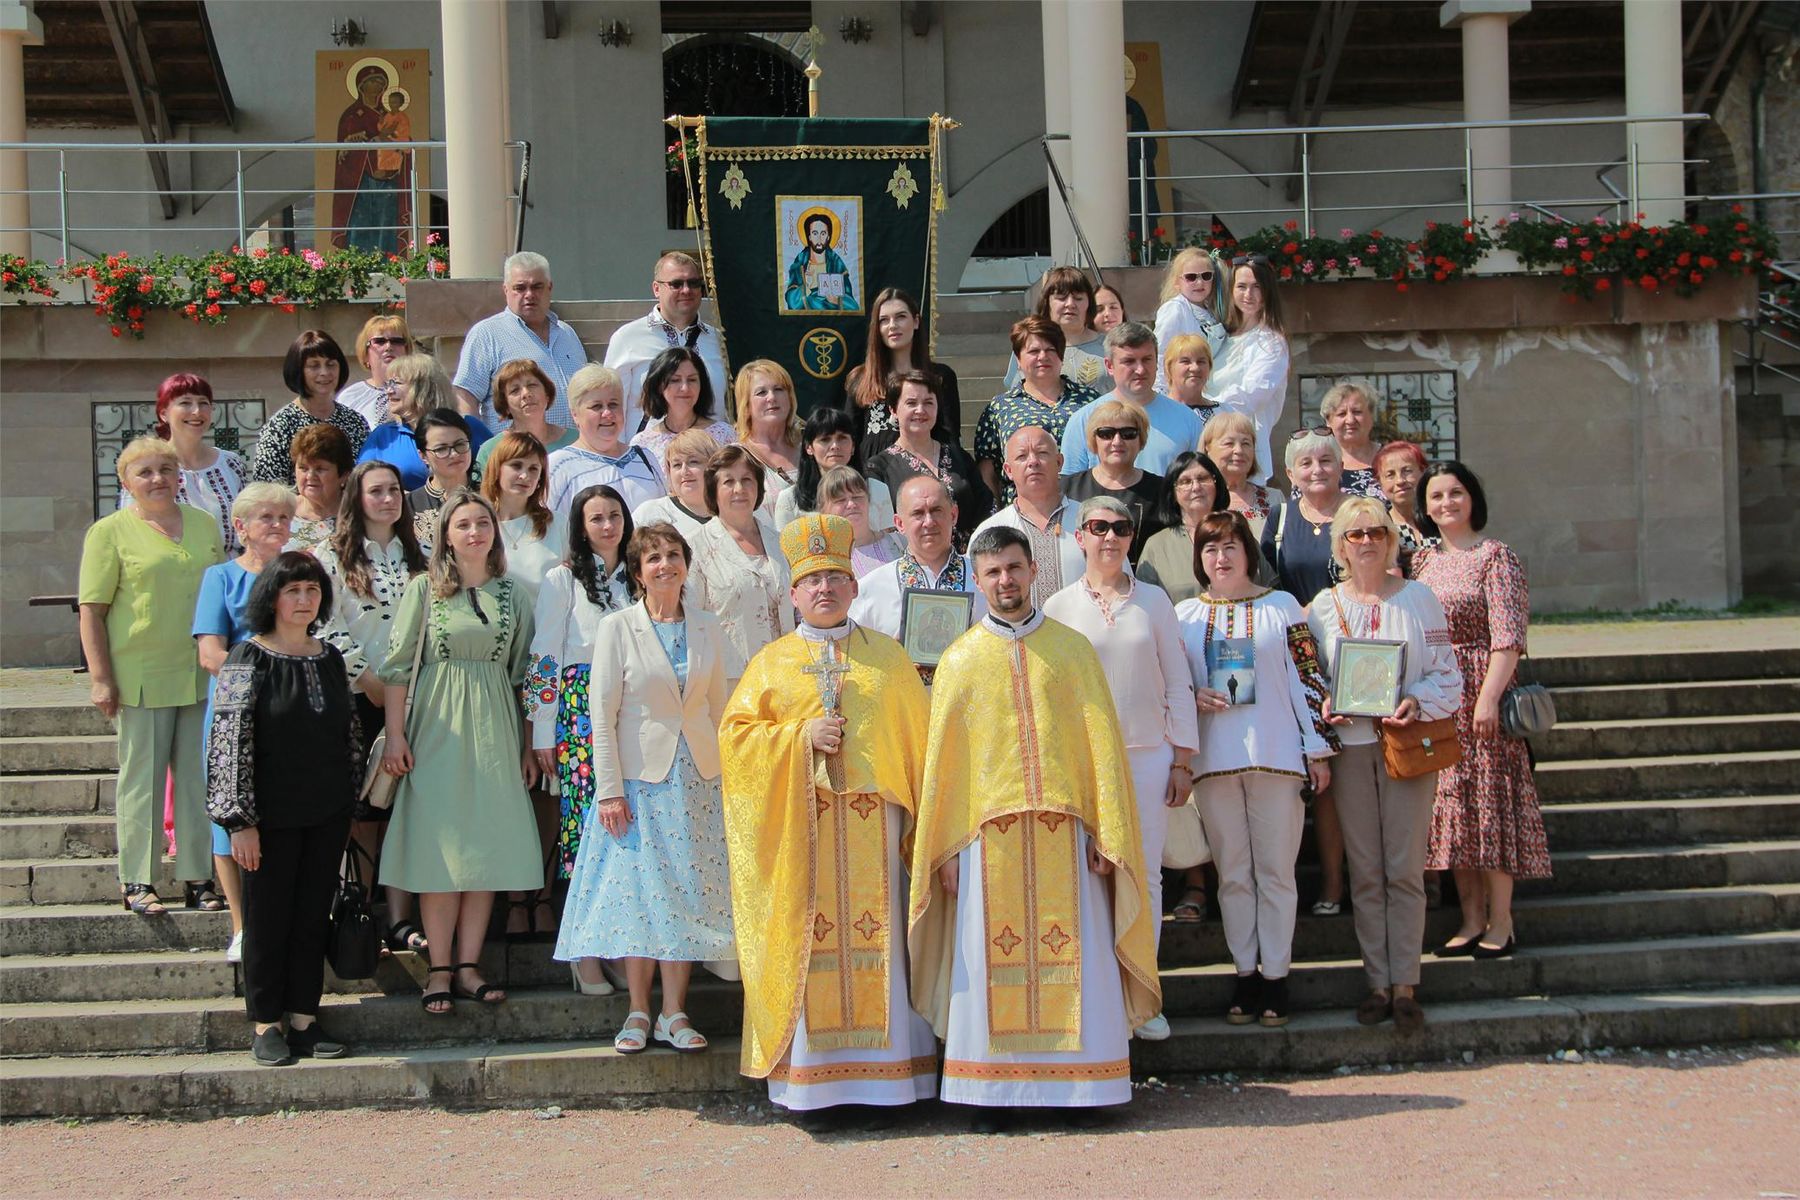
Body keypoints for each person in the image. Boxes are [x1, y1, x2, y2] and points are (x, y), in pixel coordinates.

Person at [910, 526, 1160, 1129]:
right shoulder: (960, 658)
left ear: (1033, 572)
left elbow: (1100, 750)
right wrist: (942, 850)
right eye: (993, 572)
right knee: (988, 966)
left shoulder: (1072, 651)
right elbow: (946, 766)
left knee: (1079, 961)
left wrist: (1108, 831)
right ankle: (992, 1094)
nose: (1006, 582)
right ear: (977, 579)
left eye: (1015, 569)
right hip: (983, 842)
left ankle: (1084, 1090)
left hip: (1067, 837)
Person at [719, 513, 937, 1118]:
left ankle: (890, 1077)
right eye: (812, 580)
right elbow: (736, 742)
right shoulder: (771, 663)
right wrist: (797, 737)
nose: (824, 589)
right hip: (804, 828)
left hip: (877, 826)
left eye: (835, 577)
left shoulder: (888, 660)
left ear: (854, 586)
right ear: (793, 592)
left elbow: (919, 745)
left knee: (883, 944)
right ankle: (813, 1082)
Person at [555, 522, 735, 1047]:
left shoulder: (707, 626)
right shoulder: (617, 628)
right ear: (637, 571)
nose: (665, 566)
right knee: (640, 898)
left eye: (673, 556)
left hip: (698, 779)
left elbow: (718, 708)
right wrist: (608, 789)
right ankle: (637, 1011)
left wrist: (726, 776)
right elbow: (602, 715)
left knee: (688, 894)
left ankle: (675, 1013)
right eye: (653, 558)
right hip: (639, 784)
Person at [377, 490, 543, 1015]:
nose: (475, 533)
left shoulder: (514, 594)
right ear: (445, 535)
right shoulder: (423, 590)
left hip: (495, 725)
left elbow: (522, 674)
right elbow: (398, 667)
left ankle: (469, 965)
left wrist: (526, 743)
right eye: (464, 525)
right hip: (437, 726)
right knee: (440, 850)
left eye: (483, 523)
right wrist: (397, 735)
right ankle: (439, 968)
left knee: (484, 849)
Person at [1043, 496, 1198, 1042]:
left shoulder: (1154, 602)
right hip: (1084, 763)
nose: (1109, 537)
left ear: (1132, 536)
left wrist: (1182, 757)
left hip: (1148, 756)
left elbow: (1177, 679)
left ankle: (1142, 997)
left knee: (1147, 876)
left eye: (1121, 528)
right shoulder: (1058, 607)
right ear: (1079, 535)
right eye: (1098, 527)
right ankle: (1098, 999)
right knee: (1088, 877)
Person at [1307, 498, 1462, 1033]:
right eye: (1354, 534)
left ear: (1391, 540)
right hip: (1351, 748)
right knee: (1366, 870)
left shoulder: (1419, 599)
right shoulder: (1323, 607)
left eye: (1375, 532)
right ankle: (1377, 981)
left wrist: (1415, 700)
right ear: (1341, 546)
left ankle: (1406, 985)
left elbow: (1447, 671)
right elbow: (1312, 680)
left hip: (1406, 742)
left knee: (1404, 867)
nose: (1366, 541)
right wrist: (1327, 703)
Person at [1175, 512, 1334, 1027]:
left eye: (1229, 546)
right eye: (1209, 549)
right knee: (1234, 877)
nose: (1220, 558)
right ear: (1198, 559)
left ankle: (1277, 978)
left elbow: (1308, 678)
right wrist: (1192, 696)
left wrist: (1317, 748)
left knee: (1276, 872)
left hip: (1276, 756)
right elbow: (1171, 685)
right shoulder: (1183, 617)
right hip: (1215, 761)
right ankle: (1244, 973)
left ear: (1248, 551)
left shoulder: (1282, 606)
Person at [204, 553, 359, 1066]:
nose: (303, 600)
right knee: (268, 919)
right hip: (266, 819)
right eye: (293, 590)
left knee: (312, 915)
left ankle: (304, 1018)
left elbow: (349, 736)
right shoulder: (247, 658)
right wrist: (240, 822)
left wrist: (348, 800)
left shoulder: (330, 657)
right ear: (271, 596)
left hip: (326, 813)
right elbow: (227, 744)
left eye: (312, 591)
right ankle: (266, 1022)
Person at [79, 436, 225, 916]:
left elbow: (219, 595)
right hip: (140, 674)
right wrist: (101, 677)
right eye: (145, 472)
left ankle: (198, 877)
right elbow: (92, 611)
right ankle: (138, 880)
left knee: (197, 780)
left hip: (198, 673)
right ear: (126, 481)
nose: (157, 478)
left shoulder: (204, 525)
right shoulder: (109, 532)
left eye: (166, 468)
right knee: (141, 780)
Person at [1413, 462, 1550, 959]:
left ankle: (1502, 920)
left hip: (1481, 694)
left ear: (1472, 499)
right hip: (1439, 695)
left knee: (1490, 811)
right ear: (1424, 507)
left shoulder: (1496, 558)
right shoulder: (1421, 562)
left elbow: (1508, 637)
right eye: (1436, 496)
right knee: (1452, 813)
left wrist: (1489, 698)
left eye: (1455, 493)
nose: (1445, 503)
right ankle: (1470, 919)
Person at [315, 460, 429, 955]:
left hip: (420, 695)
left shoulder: (421, 554)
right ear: (356, 498)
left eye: (394, 491)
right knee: (362, 806)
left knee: (408, 806)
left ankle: (404, 917)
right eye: (376, 491)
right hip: (359, 696)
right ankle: (357, 905)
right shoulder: (331, 553)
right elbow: (324, 623)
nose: (387, 499)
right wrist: (368, 678)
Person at [194, 482, 297, 960]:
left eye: (283, 517)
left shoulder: (298, 574)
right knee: (229, 814)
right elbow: (209, 650)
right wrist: (255, 674)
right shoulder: (220, 577)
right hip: (236, 710)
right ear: (241, 527)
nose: (277, 525)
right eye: (266, 518)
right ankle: (241, 926)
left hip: (291, 711)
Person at [527, 485, 634, 901]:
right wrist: (542, 732)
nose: (608, 526)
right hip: (580, 709)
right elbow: (544, 659)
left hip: (632, 703)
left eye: (615, 516)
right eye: (597, 518)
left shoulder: (639, 575)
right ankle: (584, 933)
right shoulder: (563, 578)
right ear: (581, 527)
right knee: (590, 813)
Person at [686, 445, 793, 693]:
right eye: (728, 482)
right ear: (713, 490)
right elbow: (691, 621)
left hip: (784, 676)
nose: (739, 489)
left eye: (747, 480)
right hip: (728, 685)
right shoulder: (695, 548)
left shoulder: (781, 543)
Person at [850, 475, 987, 662]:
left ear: (953, 515)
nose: (929, 522)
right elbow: (855, 659)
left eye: (936, 510)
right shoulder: (870, 588)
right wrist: (886, 654)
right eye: (918, 513)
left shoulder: (985, 577)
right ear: (899, 523)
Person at [452, 251, 590, 428]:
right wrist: (477, 446)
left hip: (570, 449)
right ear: (506, 290)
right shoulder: (486, 334)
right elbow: (465, 396)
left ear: (550, 288)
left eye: (537, 286)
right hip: (516, 452)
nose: (529, 294)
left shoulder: (567, 334)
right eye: (520, 288)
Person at [120, 373, 249, 556]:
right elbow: (129, 528)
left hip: (230, 574)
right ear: (164, 413)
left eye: (203, 402)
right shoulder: (145, 467)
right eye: (185, 403)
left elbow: (250, 520)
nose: (196, 411)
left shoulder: (230, 463)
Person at [974, 316, 1099, 503]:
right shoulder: (1000, 408)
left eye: (1051, 350)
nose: (1043, 356)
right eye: (1034, 351)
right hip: (1022, 510)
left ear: (1061, 356)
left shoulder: (1090, 401)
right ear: (1018, 359)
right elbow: (988, 470)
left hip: (1083, 505)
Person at [603, 251, 726, 439]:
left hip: (709, 457)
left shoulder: (718, 341)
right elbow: (611, 405)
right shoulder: (627, 338)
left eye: (693, 283)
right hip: (649, 460)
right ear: (656, 289)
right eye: (676, 284)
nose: (686, 290)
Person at [864, 371, 990, 551]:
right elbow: (880, 530)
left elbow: (986, 507)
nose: (920, 410)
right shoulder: (878, 467)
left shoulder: (959, 457)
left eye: (928, 403)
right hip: (911, 568)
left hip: (967, 563)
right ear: (893, 409)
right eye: (911, 403)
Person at [1061, 322, 1205, 478]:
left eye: (1147, 359)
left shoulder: (1187, 419)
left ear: (1157, 362)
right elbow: (1071, 486)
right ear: (1109, 366)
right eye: (1129, 361)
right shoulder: (1084, 420)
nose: (1140, 369)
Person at [971, 426, 1084, 610]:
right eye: (1022, 456)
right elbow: (977, 603)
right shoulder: (989, 530)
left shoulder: (1093, 524)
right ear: (1008, 470)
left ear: (1059, 462)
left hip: (1082, 637)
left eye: (1042, 453)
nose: (1033, 462)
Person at [1204, 256, 1289, 487]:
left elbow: (1252, 395)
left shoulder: (1271, 342)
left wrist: (1202, 407)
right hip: (1209, 449)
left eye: (1256, 287)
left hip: (1245, 453)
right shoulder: (1222, 337)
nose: (1248, 294)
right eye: (1241, 286)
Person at [840, 286, 962, 447]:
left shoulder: (940, 377)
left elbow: (950, 437)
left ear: (916, 321)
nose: (892, 325)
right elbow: (849, 440)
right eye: (884, 320)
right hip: (871, 471)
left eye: (901, 317)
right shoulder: (861, 379)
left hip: (926, 469)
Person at [357, 353, 493, 492]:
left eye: (396, 383)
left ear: (424, 388)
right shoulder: (384, 435)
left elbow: (497, 468)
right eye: (388, 384)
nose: (389, 391)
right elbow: (361, 482)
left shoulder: (468, 426)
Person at [546, 364, 666, 517]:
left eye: (613, 404)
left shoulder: (645, 458)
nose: (608, 413)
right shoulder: (557, 467)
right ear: (575, 414)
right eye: (596, 406)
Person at [252, 330, 369, 485]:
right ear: (299, 371)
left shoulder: (355, 422)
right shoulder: (280, 426)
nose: (324, 372)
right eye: (314, 366)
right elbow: (267, 488)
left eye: (331, 364)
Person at [1061, 399, 1164, 565]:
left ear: (1141, 440)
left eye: (1128, 433)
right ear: (1094, 440)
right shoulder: (1067, 489)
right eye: (1106, 433)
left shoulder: (1163, 491)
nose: (1117, 441)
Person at [774, 406, 895, 533]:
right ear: (809, 447)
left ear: (853, 446)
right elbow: (783, 549)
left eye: (842, 438)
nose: (835, 446)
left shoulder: (877, 490)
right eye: (825, 439)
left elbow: (889, 544)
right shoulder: (789, 499)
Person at [1262, 428, 1348, 605]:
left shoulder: (1363, 513)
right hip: (1296, 627)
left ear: (1341, 467)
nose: (1317, 469)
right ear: (1290, 474)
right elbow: (1265, 583)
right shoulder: (1279, 517)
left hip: (1353, 626)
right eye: (1306, 463)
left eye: (1325, 461)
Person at [999, 266, 1112, 395]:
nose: (1070, 304)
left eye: (1078, 298)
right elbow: (1017, 395)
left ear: (1089, 304)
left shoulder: (1110, 346)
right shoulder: (1029, 346)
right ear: (1047, 302)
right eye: (1061, 298)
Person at [1136, 451, 1230, 604]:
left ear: (1216, 484)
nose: (1196, 487)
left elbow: (1264, 589)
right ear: (1172, 493)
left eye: (1203, 478)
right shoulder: (1157, 546)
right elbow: (1145, 606)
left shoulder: (1239, 534)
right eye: (1185, 482)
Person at [630, 347, 737, 477]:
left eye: (692, 380)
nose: (685, 388)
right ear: (659, 386)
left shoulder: (725, 435)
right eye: (675, 380)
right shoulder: (642, 444)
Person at [480, 431, 560, 603]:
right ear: (497, 468)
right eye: (516, 466)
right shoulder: (479, 525)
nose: (525, 476)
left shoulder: (557, 523)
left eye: (533, 469)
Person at [473, 360, 576, 473]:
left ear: (547, 395)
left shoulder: (576, 440)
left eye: (532, 385)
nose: (526, 393)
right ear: (505, 405)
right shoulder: (490, 450)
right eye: (515, 390)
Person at [734, 359, 804, 516]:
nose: (772, 397)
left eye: (779, 389)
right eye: (761, 392)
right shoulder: (734, 458)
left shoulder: (810, 448)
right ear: (746, 405)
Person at [1152, 247, 1228, 392]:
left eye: (1206, 276)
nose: (1199, 283)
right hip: (1181, 393)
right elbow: (1160, 353)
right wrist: (1161, 395)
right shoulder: (1174, 309)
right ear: (1177, 282)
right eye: (1191, 277)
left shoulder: (1210, 311)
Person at [407, 409, 481, 547]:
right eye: (441, 449)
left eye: (460, 445)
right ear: (423, 456)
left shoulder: (491, 495)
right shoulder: (409, 505)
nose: (453, 454)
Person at [632, 428, 720, 541]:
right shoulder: (650, 514)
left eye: (693, 462)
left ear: (713, 466)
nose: (684, 471)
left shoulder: (734, 513)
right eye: (677, 465)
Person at [818, 466, 904, 577]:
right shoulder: (823, 560)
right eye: (840, 500)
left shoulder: (900, 543)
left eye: (857, 497)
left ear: (868, 500)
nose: (851, 504)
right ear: (823, 509)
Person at [1203, 411, 1276, 537]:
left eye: (1246, 443)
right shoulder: (1199, 499)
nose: (1239, 450)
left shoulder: (1274, 499)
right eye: (1229, 443)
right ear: (1207, 449)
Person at [285, 423, 353, 554]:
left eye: (320, 469)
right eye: (303, 468)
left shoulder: (360, 514)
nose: (310, 476)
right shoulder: (281, 511)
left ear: (344, 475)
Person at [336, 314, 413, 429]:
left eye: (397, 341)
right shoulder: (349, 398)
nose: (388, 347)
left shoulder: (421, 392)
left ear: (407, 350)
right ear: (366, 353)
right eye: (379, 341)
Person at [1317, 382, 1386, 500]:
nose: (1350, 420)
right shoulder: (1316, 464)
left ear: (1371, 416)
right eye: (1341, 414)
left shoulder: (1391, 457)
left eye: (1357, 412)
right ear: (1328, 422)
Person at [785, 211, 858, 310]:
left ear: (828, 237)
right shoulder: (800, 264)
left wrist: (837, 300)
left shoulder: (836, 264)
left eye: (823, 233)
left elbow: (853, 306)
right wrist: (805, 287)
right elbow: (791, 302)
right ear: (809, 236)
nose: (819, 239)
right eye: (815, 233)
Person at [1375, 440, 1435, 560]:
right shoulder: (1378, 528)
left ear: (1423, 472)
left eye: (1407, 471)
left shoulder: (1439, 519)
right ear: (1379, 482)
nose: (1400, 481)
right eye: (1390, 474)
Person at [1163, 334, 1220, 426]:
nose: (1195, 368)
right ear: (1169, 367)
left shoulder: (1223, 412)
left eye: (1201, 361)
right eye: (1185, 361)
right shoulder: (1154, 413)